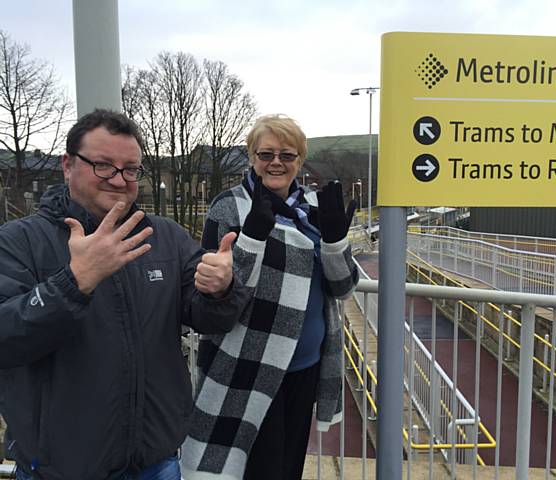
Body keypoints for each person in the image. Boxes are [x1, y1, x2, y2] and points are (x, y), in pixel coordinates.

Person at [0, 109, 247, 480]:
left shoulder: (164, 236)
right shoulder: (19, 242)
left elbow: (214, 318)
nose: (118, 180)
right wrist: (74, 281)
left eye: (130, 169)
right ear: (68, 165)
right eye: (103, 166)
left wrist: (221, 288)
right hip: (61, 469)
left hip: (156, 460)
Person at [181, 114, 359, 479]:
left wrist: (335, 241)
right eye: (266, 154)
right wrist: (252, 238)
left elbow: (342, 288)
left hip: (306, 363)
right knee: (252, 467)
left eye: (287, 155)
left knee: (289, 464)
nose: (276, 162)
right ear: (251, 156)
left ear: (299, 159)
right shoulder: (228, 207)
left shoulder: (314, 206)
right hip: (249, 364)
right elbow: (220, 293)